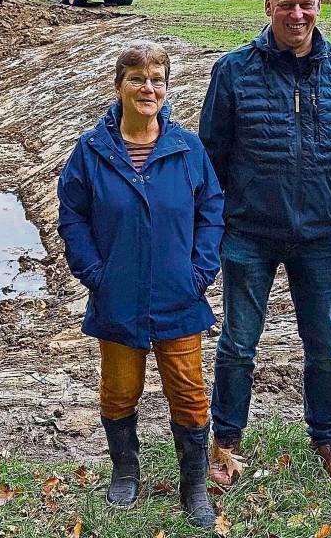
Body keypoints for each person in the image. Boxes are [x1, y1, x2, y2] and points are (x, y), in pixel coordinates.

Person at [199, 0, 331, 486]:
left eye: (306, 4)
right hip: (248, 234)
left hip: (321, 237)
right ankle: (226, 442)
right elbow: (210, 157)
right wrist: (215, 226)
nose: (297, 14)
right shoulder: (233, 72)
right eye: (286, 4)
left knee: (324, 345)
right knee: (238, 343)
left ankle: (326, 439)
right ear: (268, 7)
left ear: (319, 5)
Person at [57, 42, 225, 528]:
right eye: (137, 78)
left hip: (179, 293)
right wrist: (94, 273)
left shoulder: (187, 149)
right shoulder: (91, 151)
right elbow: (73, 215)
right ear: (119, 86)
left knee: (190, 393)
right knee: (119, 390)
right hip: (119, 295)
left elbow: (211, 211)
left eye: (157, 78)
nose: (147, 88)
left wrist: (199, 271)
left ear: (166, 88)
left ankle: (193, 485)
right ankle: (125, 470)